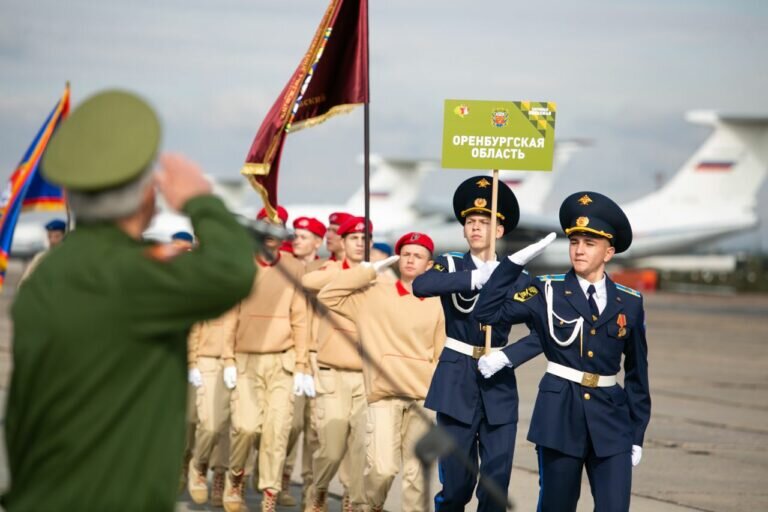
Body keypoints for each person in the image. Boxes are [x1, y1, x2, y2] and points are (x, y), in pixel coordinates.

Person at [2, 89, 255, 511]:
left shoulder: (49, 276)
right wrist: (200, 200)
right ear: (145, 197)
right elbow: (232, 271)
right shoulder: (132, 275)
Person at [474, 191, 651, 512]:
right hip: (559, 417)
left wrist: (637, 432)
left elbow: (638, 374)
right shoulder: (547, 289)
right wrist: (512, 265)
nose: (579, 250)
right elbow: (486, 313)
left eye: (589, 243)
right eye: (574, 242)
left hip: (612, 421)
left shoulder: (630, 302)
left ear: (608, 252)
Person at [411, 175, 548, 511]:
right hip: (456, 379)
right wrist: (474, 278)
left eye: (484, 222)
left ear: (499, 231)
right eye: (470, 221)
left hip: (497, 380)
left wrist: (509, 357)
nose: (475, 228)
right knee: (456, 485)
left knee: (495, 483)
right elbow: (422, 285)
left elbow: (543, 331)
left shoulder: (519, 278)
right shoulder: (452, 265)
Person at [317, 232, 445, 512]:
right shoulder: (373, 295)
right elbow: (328, 296)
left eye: (418, 256)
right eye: (406, 254)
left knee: (417, 475)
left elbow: (440, 353)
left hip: (423, 399)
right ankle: (370, 505)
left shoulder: (438, 303)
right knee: (383, 468)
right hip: (383, 395)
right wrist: (364, 273)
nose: (411, 260)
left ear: (430, 265)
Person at [222, 204, 311, 512]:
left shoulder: (293, 267)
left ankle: (269, 494)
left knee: (277, 431)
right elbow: (229, 314)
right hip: (245, 358)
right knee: (246, 428)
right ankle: (236, 476)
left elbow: (300, 317)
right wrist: (228, 358)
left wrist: (302, 365)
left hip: (282, 362)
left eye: (278, 227)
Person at [301, 216, 371, 512]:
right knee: (330, 449)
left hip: (365, 375)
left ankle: (352, 499)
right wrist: (354, 276)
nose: (359, 243)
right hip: (332, 373)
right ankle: (318, 488)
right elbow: (308, 281)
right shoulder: (330, 270)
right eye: (353, 238)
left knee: (360, 449)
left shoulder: (377, 275)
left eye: (364, 238)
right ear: (342, 242)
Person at [280, 215, 327, 507]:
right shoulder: (282, 267)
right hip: (291, 353)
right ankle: (282, 477)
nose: (297, 239)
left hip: (320, 355)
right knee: (290, 424)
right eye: (295, 234)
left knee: (314, 429)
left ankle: (311, 488)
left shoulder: (326, 269)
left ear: (318, 242)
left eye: (305, 235)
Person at [186, 307, 238, 507]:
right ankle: (198, 463)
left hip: (238, 361)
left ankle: (220, 475)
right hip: (207, 360)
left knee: (229, 425)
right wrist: (192, 362)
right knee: (210, 424)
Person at [18, 218, 67, 284]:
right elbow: (25, 280)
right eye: (49, 236)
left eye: (57, 236)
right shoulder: (40, 257)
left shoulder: (70, 258)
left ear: (64, 237)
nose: (52, 241)